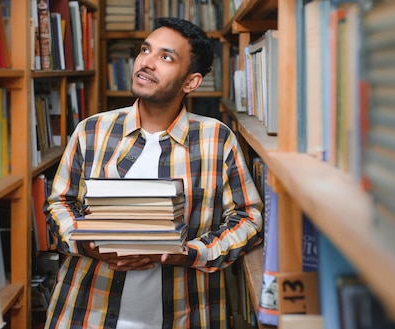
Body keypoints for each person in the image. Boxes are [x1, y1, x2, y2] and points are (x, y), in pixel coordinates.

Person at [44, 17, 263, 329]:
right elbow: (58, 205)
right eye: (145, 50)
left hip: (184, 313)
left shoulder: (216, 138)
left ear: (191, 82)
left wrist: (190, 253)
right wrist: (89, 246)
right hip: (88, 310)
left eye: (165, 57)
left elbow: (248, 219)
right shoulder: (91, 130)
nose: (146, 63)